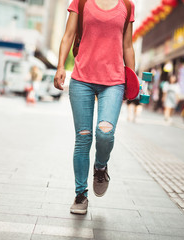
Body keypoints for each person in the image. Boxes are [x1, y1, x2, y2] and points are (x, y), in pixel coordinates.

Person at [53, 0, 135, 215]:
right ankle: (81, 195)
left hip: (114, 81)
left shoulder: (126, 5)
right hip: (82, 79)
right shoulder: (81, 2)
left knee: (105, 133)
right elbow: (69, 35)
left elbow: (127, 45)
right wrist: (61, 66)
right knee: (83, 137)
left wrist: (132, 79)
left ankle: (100, 167)